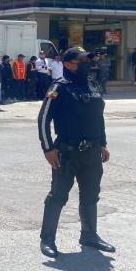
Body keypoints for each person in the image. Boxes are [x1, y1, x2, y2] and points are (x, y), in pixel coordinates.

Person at [37, 47, 114, 259]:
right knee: (58, 196)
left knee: (91, 196)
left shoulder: (92, 84)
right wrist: (48, 148)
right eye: (83, 61)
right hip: (67, 153)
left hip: (91, 152)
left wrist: (103, 143)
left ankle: (89, 235)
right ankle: (47, 239)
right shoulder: (59, 87)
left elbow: (98, 118)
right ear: (69, 64)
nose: (88, 64)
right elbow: (43, 119)